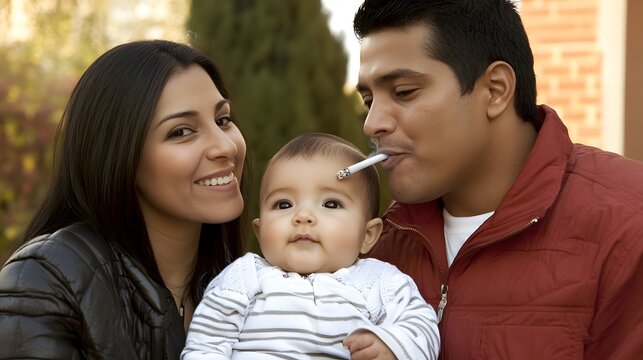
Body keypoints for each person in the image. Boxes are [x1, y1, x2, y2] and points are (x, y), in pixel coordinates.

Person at [352, 0, 643, 359]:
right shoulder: (374, 247)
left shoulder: (629, 225)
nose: (372, 123)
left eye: (403, 92)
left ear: (496, 90)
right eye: (368, 100)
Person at [0, 40, 249, 359]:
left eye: (223, 120)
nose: (226, 146)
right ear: (118, 155)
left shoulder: (248, 283)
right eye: (181, 131)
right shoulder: (46, 281)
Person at [181, 133, 440, 360]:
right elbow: (207, 342)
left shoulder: (380, 281)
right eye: (284, 204)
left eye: (330, 204)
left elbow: (423, 325)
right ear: (260, 233)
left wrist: (392, 346)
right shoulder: (245, 277)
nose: (303, 216)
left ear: (367, 235)